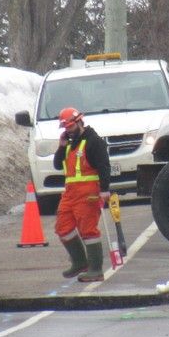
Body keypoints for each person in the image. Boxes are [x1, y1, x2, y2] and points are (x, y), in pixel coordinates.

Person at [53, 106, 111, 283]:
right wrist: (61, 146)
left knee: (88, 230)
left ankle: (95, 269)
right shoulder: (69, 144)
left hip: (88, 194)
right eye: (65, 128)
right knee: (62, 227)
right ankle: (80, 262)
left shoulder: (93, 141)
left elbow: (103, 166)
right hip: (70, 194)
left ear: (79, 122)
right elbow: (57, 164)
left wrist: (104, 190)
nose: (67, 131)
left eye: (69, 127)